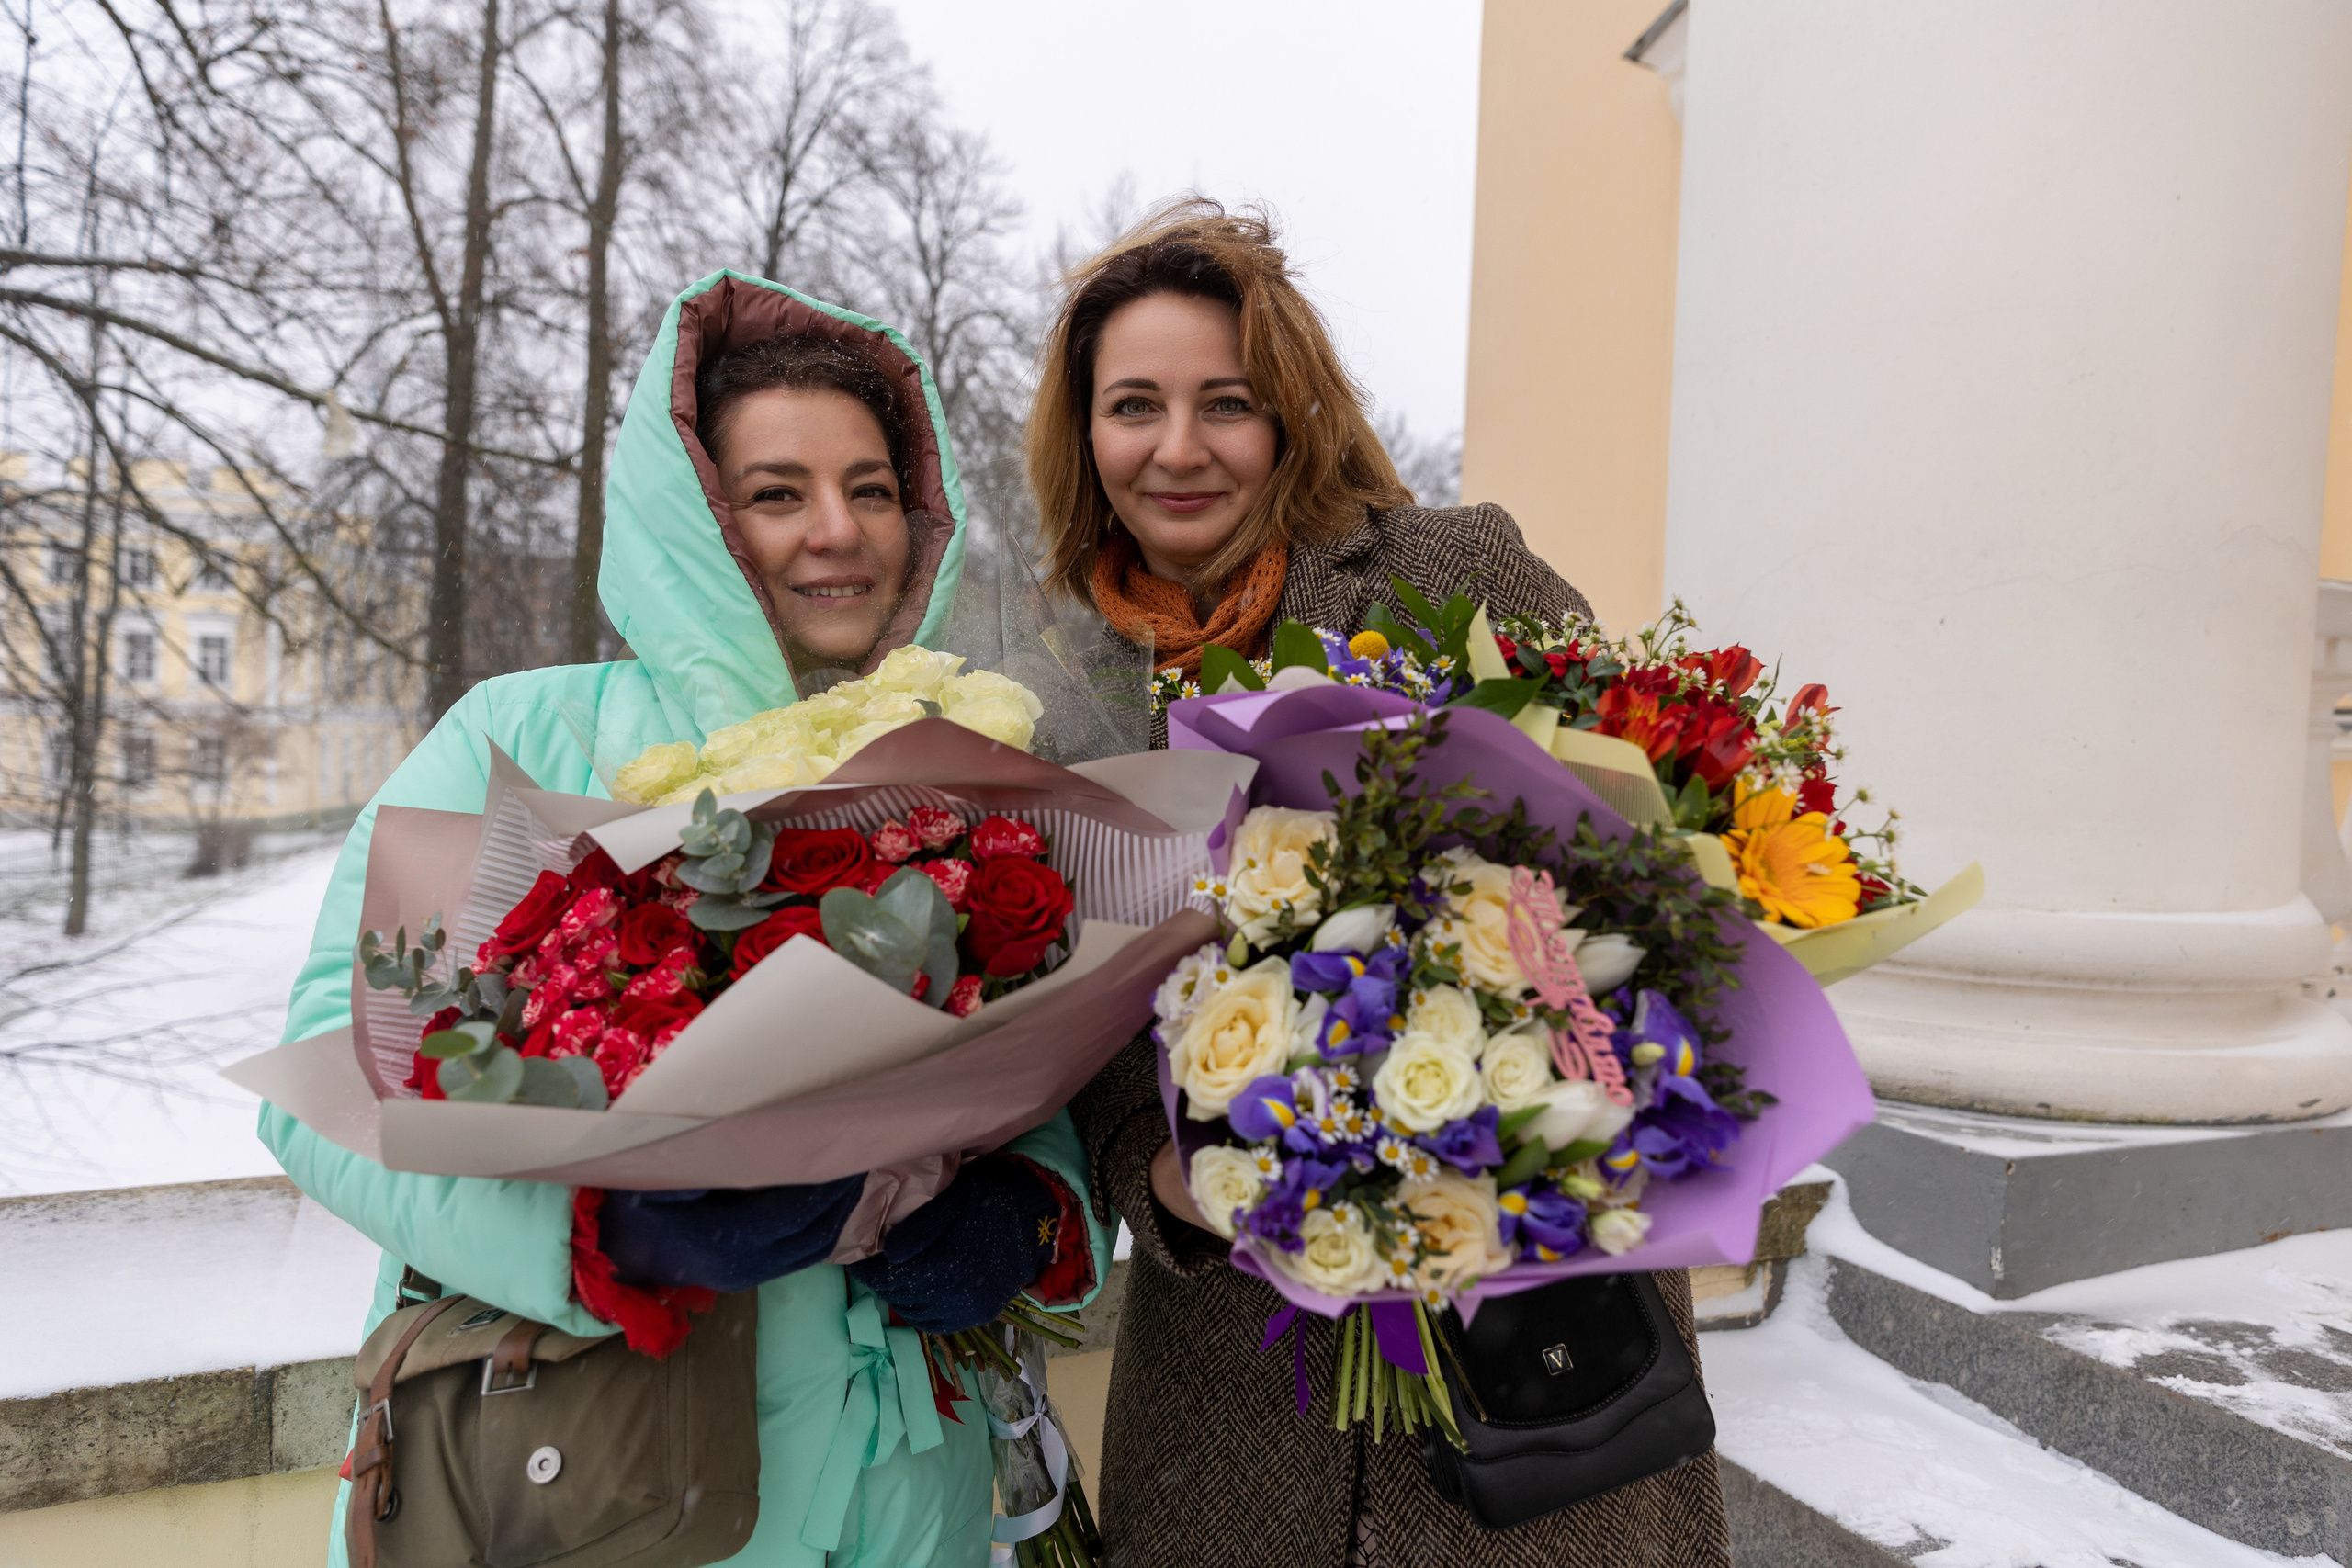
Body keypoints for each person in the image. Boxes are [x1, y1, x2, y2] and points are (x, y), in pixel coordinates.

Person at [264, 272, 1106, 1568]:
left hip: (905, 1495)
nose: (838, 532)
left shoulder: (964, 765)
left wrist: (1035, 1214)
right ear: (694, 525)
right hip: (604, 1472)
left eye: (871, 488)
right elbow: (332, 1075)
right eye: (777, 494)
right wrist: (593, 1233)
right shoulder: (524, 738)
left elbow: (1026, 1042)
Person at [1037, 202, 1734, 1568]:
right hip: (1241, 1380)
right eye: (1135, 406)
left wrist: (1527, 1059)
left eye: (1224, 403)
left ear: (1289, 413)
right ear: (1086, 434)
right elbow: (1067, 1018)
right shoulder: (1060, 694)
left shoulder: (1447, 572)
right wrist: (1159, 1171)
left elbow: (1645, 843)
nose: (1178, 449)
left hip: (1537, 1305)